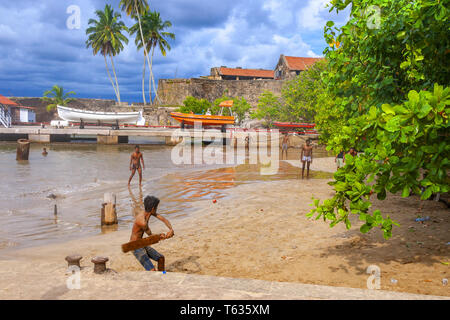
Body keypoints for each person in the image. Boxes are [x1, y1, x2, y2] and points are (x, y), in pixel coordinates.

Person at [130, 195, 174, 271]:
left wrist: (171, 229)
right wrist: (164, 236)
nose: (157, 210)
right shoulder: (142, 222)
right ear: (153, 208)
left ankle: (162, 275)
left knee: (161, 259)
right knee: (152, 270)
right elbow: (151, 236)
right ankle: (156, 281)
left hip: (142, 243)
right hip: (135, 246)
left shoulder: (149, 212)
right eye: (156, 208)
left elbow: (164, 219)